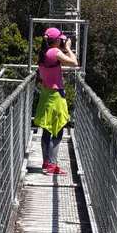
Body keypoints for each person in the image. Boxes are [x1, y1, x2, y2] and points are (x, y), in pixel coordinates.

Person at [33, 26, 78, 175]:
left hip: (46, 94)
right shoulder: (55, 52)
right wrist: (68, 48)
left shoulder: (44, 53)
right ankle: (52, 165)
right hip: (56, 96)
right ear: (57, 40)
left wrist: (61, 48)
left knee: (46, 130)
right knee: (58, 130)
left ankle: (46, 163)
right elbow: (74, 63)